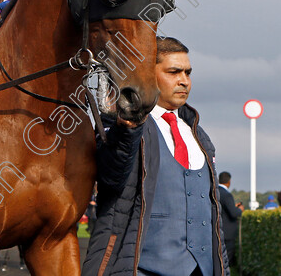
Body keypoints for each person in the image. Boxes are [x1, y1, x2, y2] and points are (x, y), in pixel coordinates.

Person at [83, 37, 229, 276]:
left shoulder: (199, 135)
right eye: (174, 72)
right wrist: (126, 131)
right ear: (147, 74)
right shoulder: (121, 123)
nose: (184, 81)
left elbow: (214, 220)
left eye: (188, 72)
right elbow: (110, 178)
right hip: (140, 268)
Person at [217, 172, 243, 269]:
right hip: (228, 233)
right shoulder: (227, 195)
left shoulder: (215, 192)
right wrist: (239, 210)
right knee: (225, 262)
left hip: (217, 230)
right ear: (229, 181)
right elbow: (233, 213)